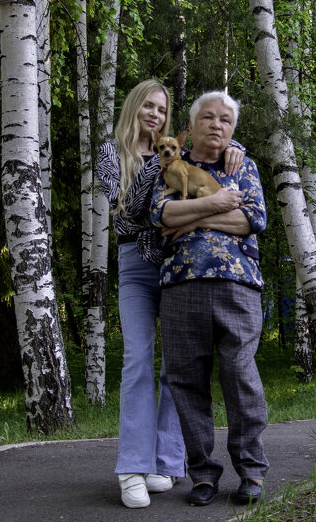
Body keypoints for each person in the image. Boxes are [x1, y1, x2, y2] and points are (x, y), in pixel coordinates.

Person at [97, 80, 243, 509]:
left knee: (176, 366)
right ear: (134, 108)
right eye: (148, 106)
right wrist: (160, 164)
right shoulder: (113, 154)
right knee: (138, 360)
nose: (155, 114)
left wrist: (238, 151)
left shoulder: (173, 153)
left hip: (179, 261)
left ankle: (165, 460)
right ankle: (132, 467)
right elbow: (125, 216)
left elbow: (210, 154)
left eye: (162, 109)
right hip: (137, 265)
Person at [150, 90, 268, 508]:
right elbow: (161, 215)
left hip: (238, 284)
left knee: (240, 375)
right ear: (190, 127)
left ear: (232, 130)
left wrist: (193, 217)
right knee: (186, 382)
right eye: (209, 118)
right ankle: (202, 475)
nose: (217, 125)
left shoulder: (244, 165)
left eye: (226, 120)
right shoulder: (163, 167)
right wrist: (217, 211)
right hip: (181, 285)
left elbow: (253, 219)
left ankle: (251, 471)